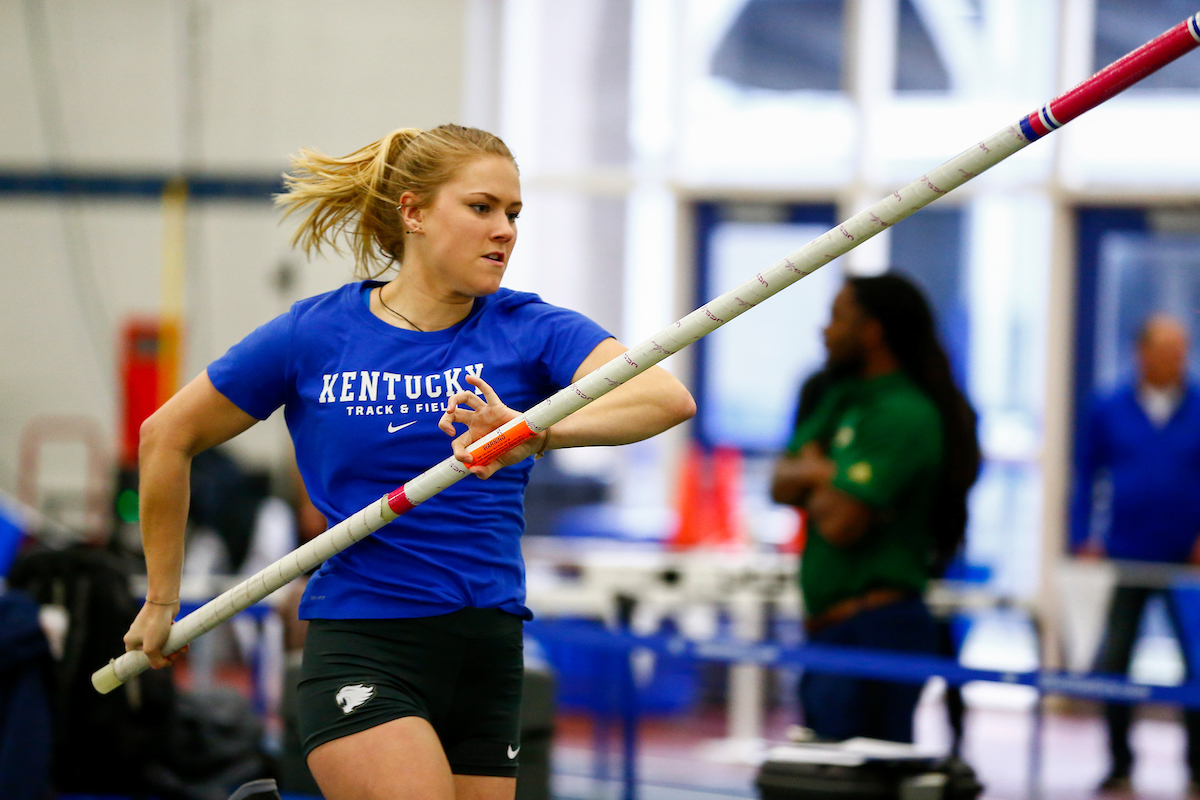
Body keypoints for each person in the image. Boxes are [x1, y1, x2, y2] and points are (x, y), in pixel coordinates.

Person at [121, 123, 696, 800]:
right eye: (481, 208)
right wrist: (162, 596)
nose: (505, 230)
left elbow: (664, 398)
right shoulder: (317, 333)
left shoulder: (530, 328)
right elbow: (166, 437)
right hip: (368, 637)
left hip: (487, 645)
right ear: (414, 212)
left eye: (513, 214)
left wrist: (536, 435)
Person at [770, 273, 980, 743]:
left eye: (837, 318)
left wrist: (818, 470)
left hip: (876, 630)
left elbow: (843, 523)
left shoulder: (907, 414)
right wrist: (832, 478)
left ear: (872, 330)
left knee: (864, 778)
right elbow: (780, 483)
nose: (824, 330)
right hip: (826, 630)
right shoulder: (837, 396)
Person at [1071, 314, 1200, 794]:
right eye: (1167, 352)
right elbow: (1086, 475)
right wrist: (1083, 537)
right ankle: (1120, 762)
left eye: (1182, 353)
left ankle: (1196, 767)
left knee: (1196, 663)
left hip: (1187, 560)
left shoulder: (1198, 404)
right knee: (1115, 660)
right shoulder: (1109, 406)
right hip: (1126, 551)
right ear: (1142, 354)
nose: (1176, 363)